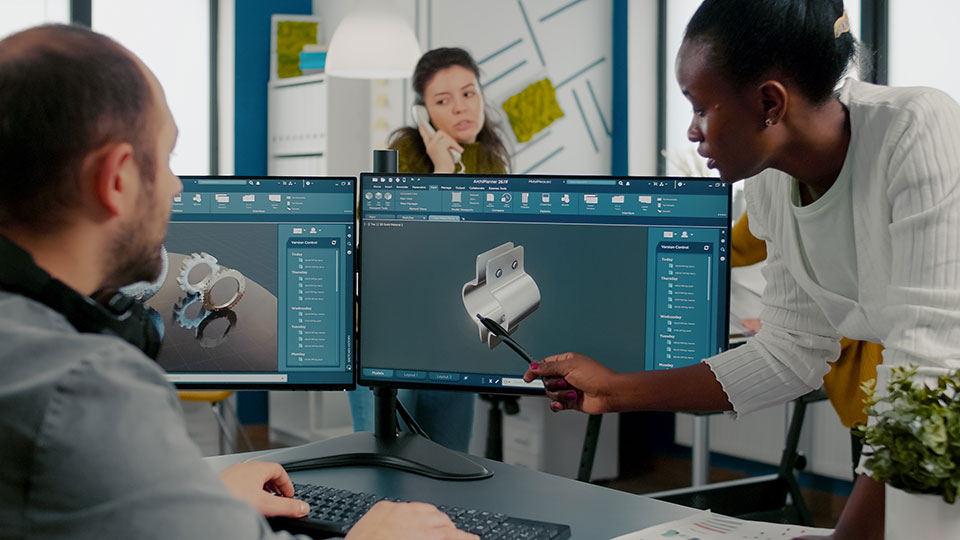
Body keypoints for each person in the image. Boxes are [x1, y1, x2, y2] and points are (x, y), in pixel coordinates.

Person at [0, 24, 475, 540]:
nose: (177, 186)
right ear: (116, 180)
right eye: (165, 161)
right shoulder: (84, 389)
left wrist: (201, 499)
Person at [523, 1, 960, 539]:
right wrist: (614, 391)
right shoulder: (773, 181)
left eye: (701, 107)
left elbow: (932, 373)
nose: (691, 132)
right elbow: (791, 351)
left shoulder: (918, 130)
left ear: (769, 103)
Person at [349, 47, 511, 452]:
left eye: (469, 93)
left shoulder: (490, 161)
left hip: (451, 330)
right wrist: (441, 172)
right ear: (423, 112)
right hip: (387, 329)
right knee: (385, 455)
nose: (461, 108)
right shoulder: (402, 152)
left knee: (448, 458)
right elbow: (391, 245)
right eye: (443, 101)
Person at [731, 213, 884, 474]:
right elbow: (737, 246)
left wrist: (785, 324)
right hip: (875, 392)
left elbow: (861, 299)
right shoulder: (773, 186)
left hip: (887, 388)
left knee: (885, 504)